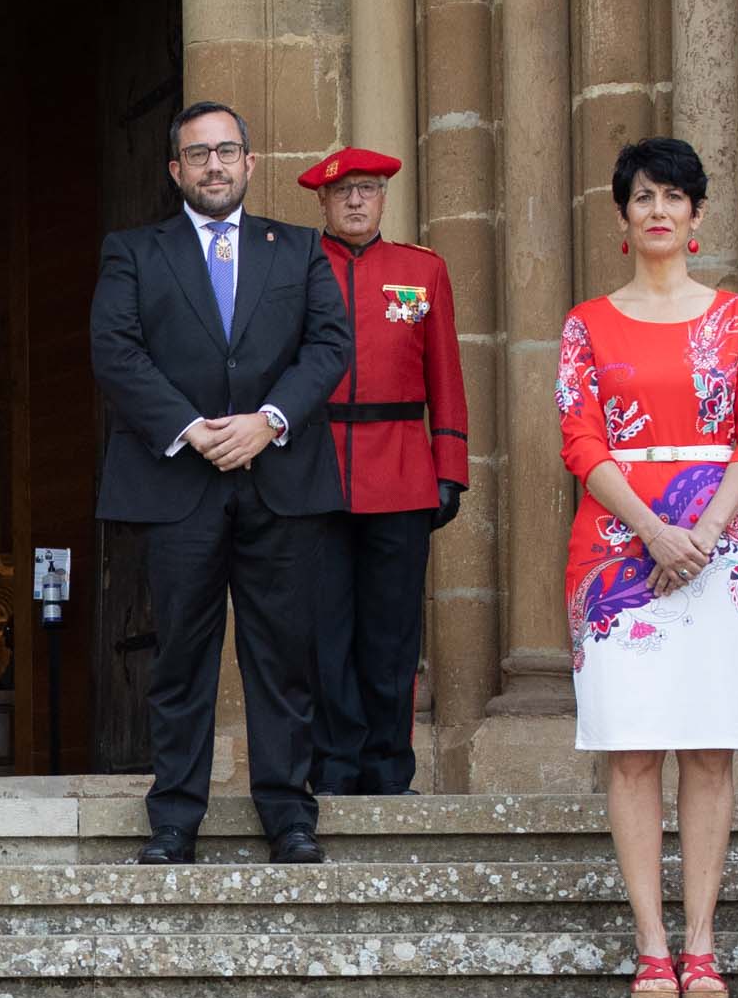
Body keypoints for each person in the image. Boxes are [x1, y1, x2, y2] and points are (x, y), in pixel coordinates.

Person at [89, 100, 353, 865]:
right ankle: (174, 818)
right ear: (175, 169)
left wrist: (269, 419)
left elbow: (329, 344)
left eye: (226, 151)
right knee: (180, 660)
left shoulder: (300, 248)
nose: (214, 165)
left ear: (249, 163)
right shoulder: (134, 252)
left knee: (282, 657)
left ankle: (288, 815)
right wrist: (191, 427)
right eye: (198, 154)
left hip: (281, 477)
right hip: (179, 482)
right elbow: (116, 350)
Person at [560, 136, 738, 998]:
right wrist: (653, 530)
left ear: (696, 214)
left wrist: (708, 529)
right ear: (622, 217)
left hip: (724, 544)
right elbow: (581, 440)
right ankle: (652, 946)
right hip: (619, 546)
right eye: (643, 196)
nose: (658, 210)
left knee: (711, 746)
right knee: (633, 749)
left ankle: (702, 942)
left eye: (674, 196)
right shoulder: (587, 323)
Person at [294, 145, 469, 795]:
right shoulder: (299, 269)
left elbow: (445, 373)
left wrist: (448, 462)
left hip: (400, 468)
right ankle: (333, 768)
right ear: (323, 202)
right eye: (344, 193)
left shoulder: (421, 272)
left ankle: (389, 770)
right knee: (323, 632)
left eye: (368, 190)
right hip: (316, 471)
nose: (357, 201)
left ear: (384, 196)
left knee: (392, 635)